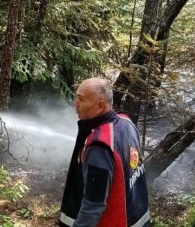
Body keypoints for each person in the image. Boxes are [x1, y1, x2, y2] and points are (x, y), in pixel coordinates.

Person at [59, 77, 150, 227]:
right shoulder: (126, 123)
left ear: (100, 106)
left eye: (81, 99)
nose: (75, 103)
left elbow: (92, 206)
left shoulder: (100, 146)